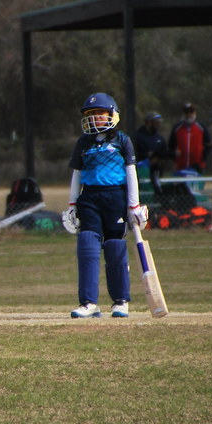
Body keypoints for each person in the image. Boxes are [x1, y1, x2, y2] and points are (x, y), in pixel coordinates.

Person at [61, 93, 147, 319]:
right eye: (91, 114)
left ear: (112, 115)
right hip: (89, 197)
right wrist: (72, 204)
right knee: (87, 245)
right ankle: (89, 303)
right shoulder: (83, 142)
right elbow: (77, 174)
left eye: (100, 113)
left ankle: (120, 301)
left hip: (116, 197)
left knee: (114, 247)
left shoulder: (122, 140)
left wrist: (134, 206)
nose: (95, 118)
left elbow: (131, 172)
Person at [168, 102, 212, 174]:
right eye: (186, 112)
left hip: (197, 166)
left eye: (191, 112)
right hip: (181, 166)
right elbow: (171, 145)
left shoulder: (201, 127)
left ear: (194, 113)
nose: (188, 115)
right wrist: (174, 154)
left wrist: (202, 158)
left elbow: (208, 144)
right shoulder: (177, 128)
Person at [132, 112, 170, 180]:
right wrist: (147, 155)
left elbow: (165, 153)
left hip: (158, 173)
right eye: (156, 123)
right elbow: (133, 154)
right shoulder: (138, 137)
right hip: (142, 171)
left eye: (159, 122)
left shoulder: (159, 138)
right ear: (149, 122)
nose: (159, 125)